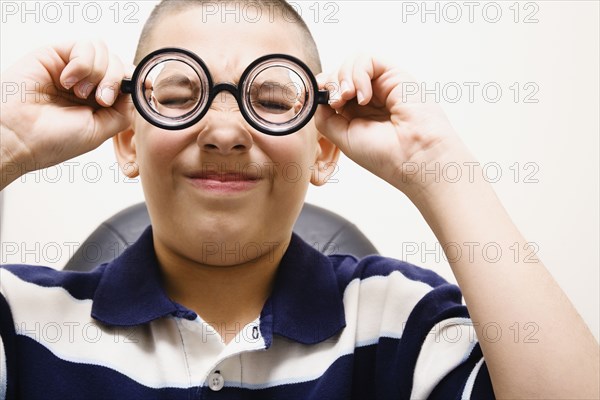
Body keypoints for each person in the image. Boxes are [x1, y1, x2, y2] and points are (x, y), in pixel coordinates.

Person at [0, 0, 598, 398]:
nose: (226, 133)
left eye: (274, 101)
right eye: (181, 96)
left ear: (324, 151)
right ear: (127, 140)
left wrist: (437, 165)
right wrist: (7, 144)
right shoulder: (21, 319)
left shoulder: (398, 321)